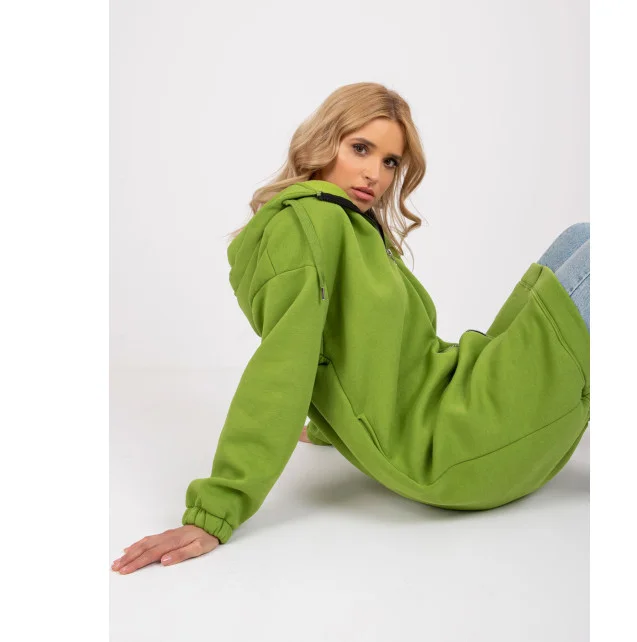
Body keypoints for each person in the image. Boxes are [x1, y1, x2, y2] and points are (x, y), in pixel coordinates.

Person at [112, 82, 590, 575]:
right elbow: (285, 364)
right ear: (323, 141)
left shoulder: (345, 223)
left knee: (582, 238)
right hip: (452, 446)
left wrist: (329, 425)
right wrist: (215, 512)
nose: (375, 175)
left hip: (456, 399)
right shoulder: (311, 226)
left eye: (390, 162)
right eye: (361, 148)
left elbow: (352, 346)